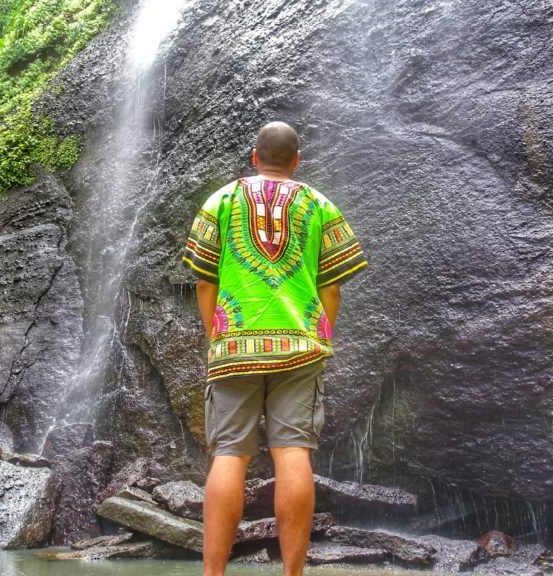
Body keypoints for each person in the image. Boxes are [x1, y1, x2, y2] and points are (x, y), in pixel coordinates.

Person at [182, 121, 368, 576]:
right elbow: (334, 288)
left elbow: (204, 282)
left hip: (233, 348)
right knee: (292, 453)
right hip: (301, 347)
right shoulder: (320, 205)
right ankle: (293, 574)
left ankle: (212, 575)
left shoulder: (220, 201)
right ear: (297, 160)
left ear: (254, 156)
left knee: (228, 454)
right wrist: (321, 335)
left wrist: (218, 335)